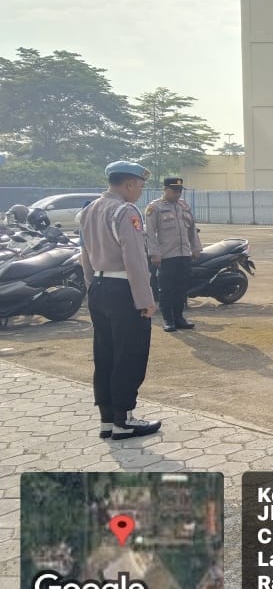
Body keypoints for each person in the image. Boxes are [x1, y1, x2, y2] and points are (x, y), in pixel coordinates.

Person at [78, 161, 161, 440]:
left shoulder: (89, 210)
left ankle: (107, 420)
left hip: (99, 287)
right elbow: (135, 259)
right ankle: (124, 420)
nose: (140, 191)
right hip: (124, 290)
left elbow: (84, 254)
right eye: (140, 186)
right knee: (129, 355)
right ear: (129, 184)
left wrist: (93, 287)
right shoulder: (125, 211)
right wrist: (145, 300)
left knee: (105, 355)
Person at [144, 177, 202, 333]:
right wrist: (154, 253)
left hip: (184, 254)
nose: (177, 194)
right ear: (165, 190)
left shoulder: (184, 206)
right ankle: (168, 320)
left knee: (181, 288)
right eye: (174, 191)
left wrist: (196, 247)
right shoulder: (155, 207)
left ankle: (179, 317)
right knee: (166, 289)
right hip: (166, 256)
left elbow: (192, 228)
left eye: (179, 191)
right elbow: (150, 233)